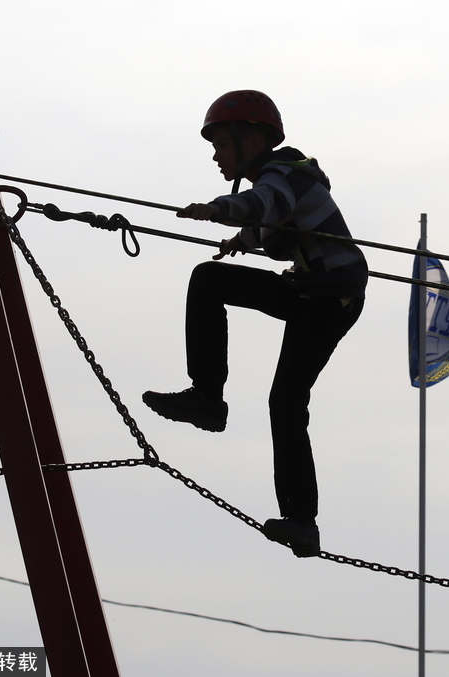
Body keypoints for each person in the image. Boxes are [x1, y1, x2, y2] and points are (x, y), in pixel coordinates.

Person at [142, 90, 367, 557]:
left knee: (286, 400)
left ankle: (302, 521)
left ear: (254, 139)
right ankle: (207, 398)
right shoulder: (277, 180)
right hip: (305, 290)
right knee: (209, 278)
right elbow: (268, 222)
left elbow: (267, 203)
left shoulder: (282, 174)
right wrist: (238, 240)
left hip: (331, 298)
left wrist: (220, 208)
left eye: (223, 144)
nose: (217, 156)